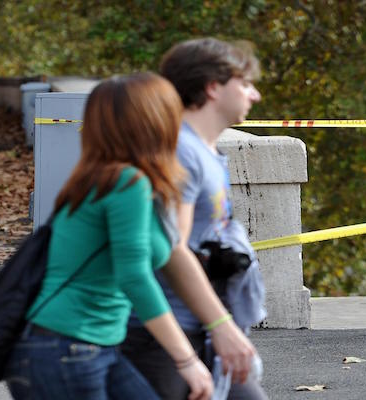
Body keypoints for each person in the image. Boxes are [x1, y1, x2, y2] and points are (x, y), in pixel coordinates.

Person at [4, 73, 214, 400]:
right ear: (152, 120)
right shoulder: (126, 183)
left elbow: (167, 249)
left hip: (87, 346)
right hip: (67, 348)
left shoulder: (100, 176)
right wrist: (186, 359)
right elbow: (134, 276)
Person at [121, 38, 268, 399]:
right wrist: (221, 325)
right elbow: (172, 249)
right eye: (245, 83)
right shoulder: (181, 151)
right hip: (164, 337)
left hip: (194, 326)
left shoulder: (204, 150)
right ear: (213, 87)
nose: (255, 95)